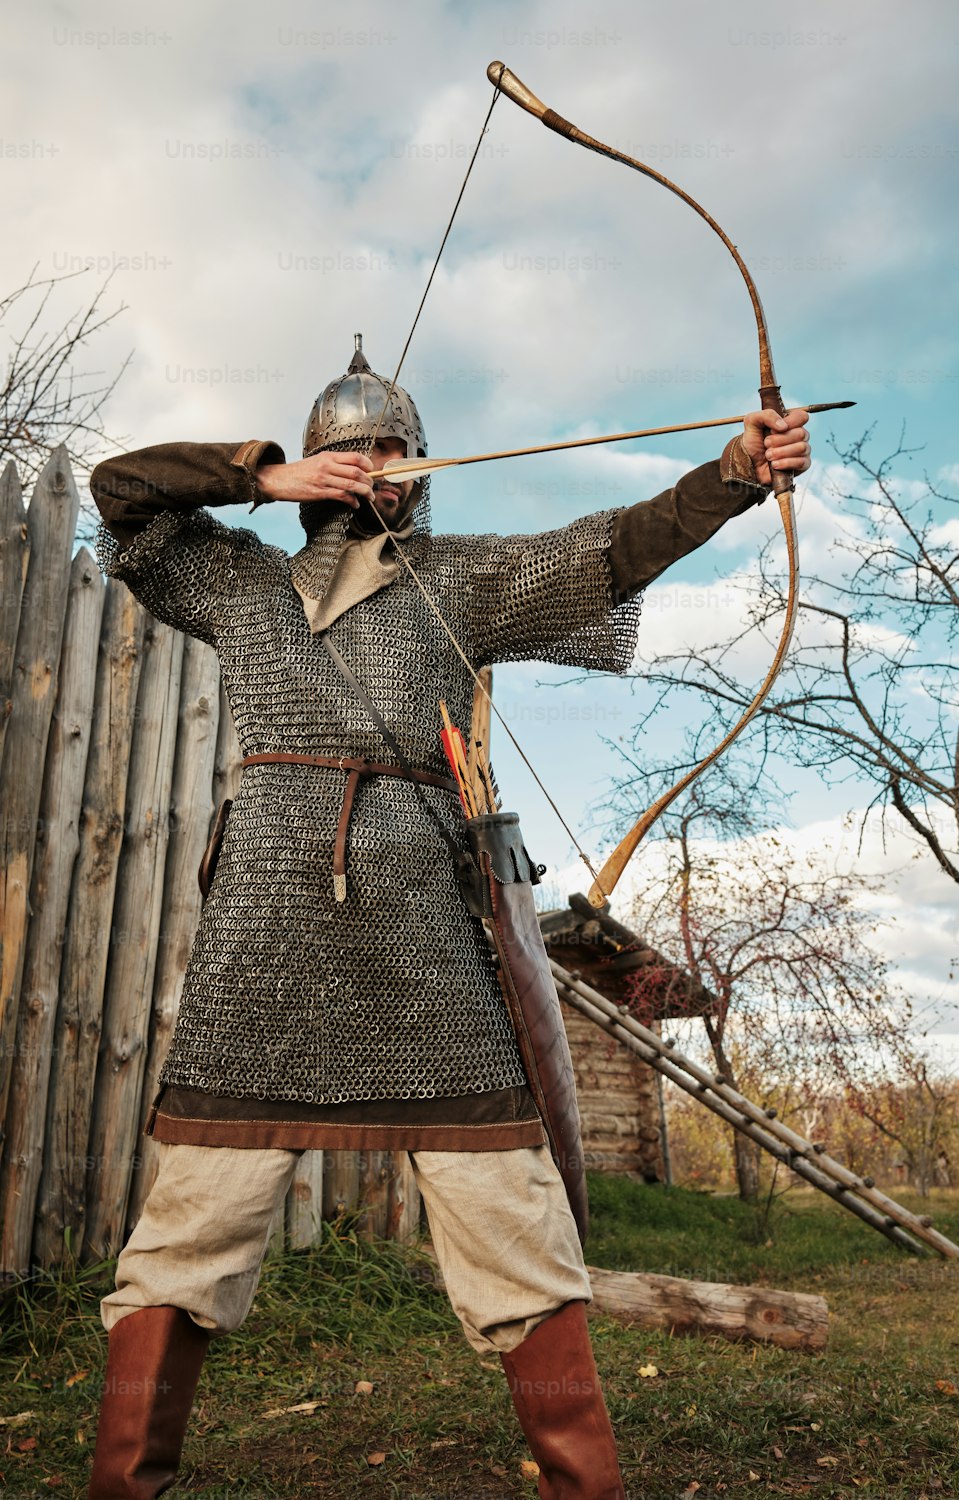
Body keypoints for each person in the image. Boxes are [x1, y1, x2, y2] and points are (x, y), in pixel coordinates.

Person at [86, 336, 810, 1499]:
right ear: (318, 465)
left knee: (514, 1236)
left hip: (430, 947)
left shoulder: (462, 580)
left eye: (393, 447)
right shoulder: (236, 583)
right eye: (350, 448)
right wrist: (257, 474)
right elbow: (120, 494)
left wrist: (732, 474)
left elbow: (609, 552)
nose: (375, 461)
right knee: (181, 1246)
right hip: (263, 960)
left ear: (422, 465)